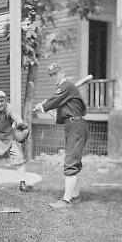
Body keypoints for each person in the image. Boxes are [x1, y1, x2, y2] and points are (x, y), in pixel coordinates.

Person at [34, 62, 88, 208]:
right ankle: (74, 196)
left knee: (70, 161)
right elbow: (58, 117)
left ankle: (66, 200)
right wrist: (45, 108)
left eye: (56, 73)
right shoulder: (65, 92)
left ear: (62, 72)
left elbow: (53, 101)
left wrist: (43, 106)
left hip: (76, 125)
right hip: (71, 125)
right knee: (73, 160)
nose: (54, 77)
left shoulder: (67, 86)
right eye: (51, 75)